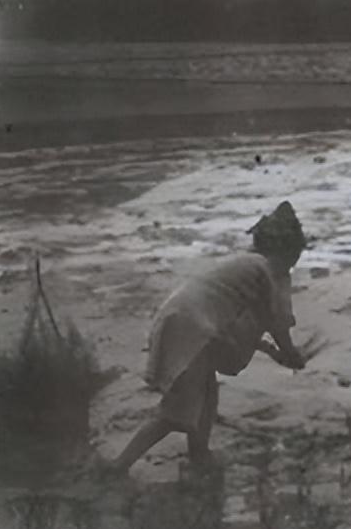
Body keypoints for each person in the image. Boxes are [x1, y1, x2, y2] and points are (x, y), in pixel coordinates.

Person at [109, 201, 313, 474]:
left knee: (207, 394)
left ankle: (199, 454)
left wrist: (273, 352)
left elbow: (236, 324)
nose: (289, 269)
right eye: (291, 260)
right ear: (283, 251)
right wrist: (289, 351)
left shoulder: (244, 265)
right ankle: (118, 466)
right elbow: (276, 322)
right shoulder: (262, 270)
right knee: (175, 413)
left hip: (182, 322)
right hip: (189, 329)